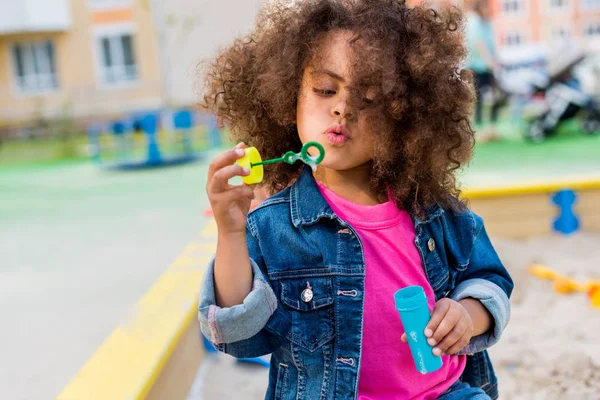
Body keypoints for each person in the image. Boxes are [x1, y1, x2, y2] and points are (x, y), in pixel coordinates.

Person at [198, 1, 513, 399]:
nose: (342, 107)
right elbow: (239, 337)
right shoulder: (274, 227)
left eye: (368, 98)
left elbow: (490, 280)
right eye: (325, 89)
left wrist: (469, 315)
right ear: (285, 96)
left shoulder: (433, 209)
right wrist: (230, 232)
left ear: (407, 114)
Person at [465, 0, 503, 142]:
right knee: (478, 99)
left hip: (490, 67)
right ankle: (479, 131)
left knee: (496, 96)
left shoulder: (488, 23)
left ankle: (493, 129)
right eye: (485, 7)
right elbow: (478, 44)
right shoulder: (474, 22)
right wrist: (490, 62)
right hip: (477, 67)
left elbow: (492, 45)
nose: (488, 10)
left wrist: (496, 61)